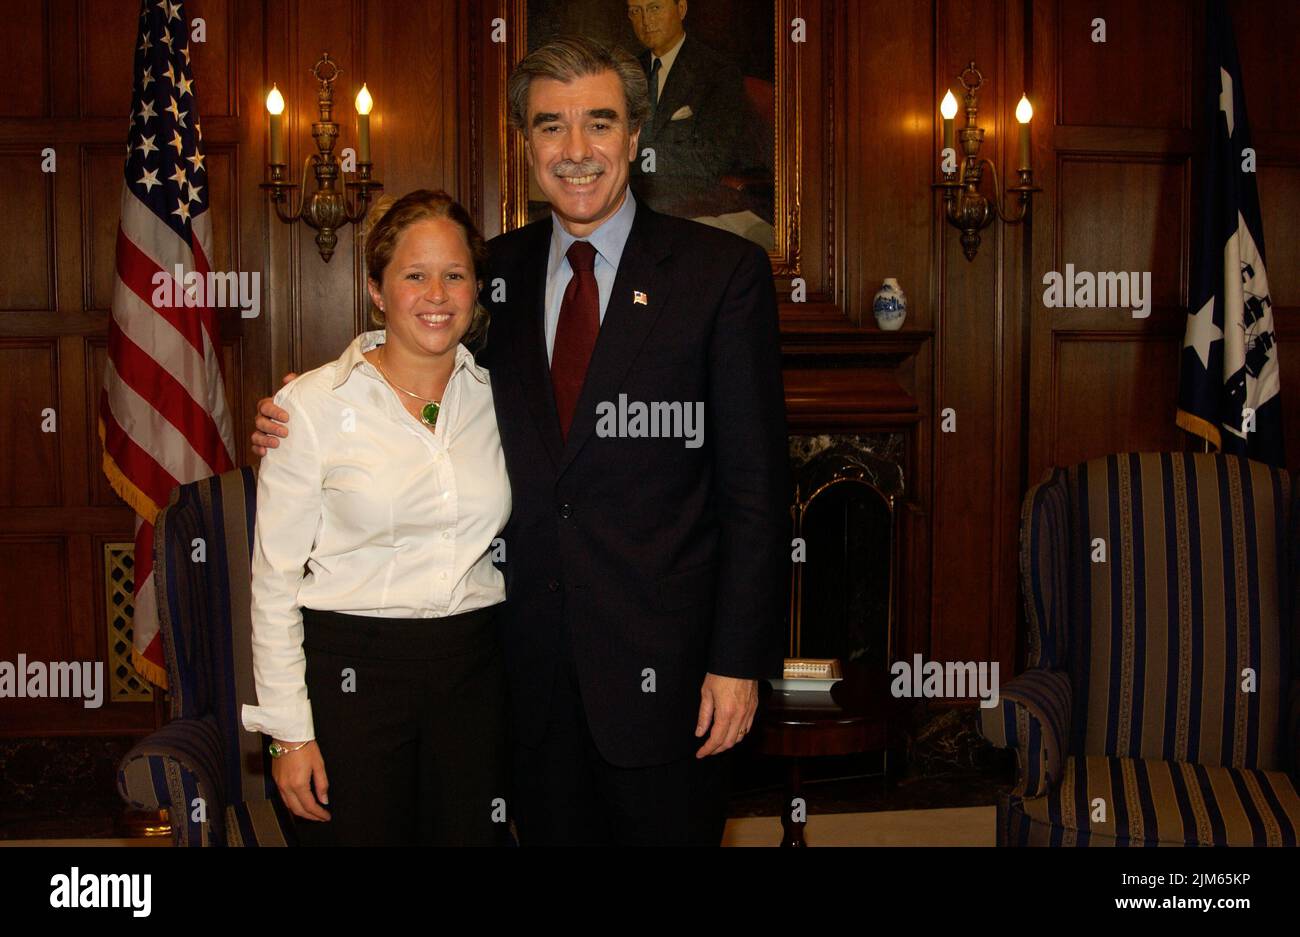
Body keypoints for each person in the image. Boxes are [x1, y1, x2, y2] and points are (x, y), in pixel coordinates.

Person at [253, 36, 789, 846]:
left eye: (599, 124)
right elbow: (413, 351)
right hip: (517, 687)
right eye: (551, 127)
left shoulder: (721, 275)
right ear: (526, 143)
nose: (576, 151)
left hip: (669, 684)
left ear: (635, 137)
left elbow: (756, 488)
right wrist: (310, 396)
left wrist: (738, 659)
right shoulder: (486, 274)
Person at [241, 190, 512, 846]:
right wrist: (288, 734)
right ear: (376, 290)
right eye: (414, 275)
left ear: (477, 289)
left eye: (455, 274)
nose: (437, 294)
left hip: (475, 679)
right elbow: (274, 582)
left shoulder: (505, 398)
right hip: (350, 683)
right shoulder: (308, 407)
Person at [624, 0, 749, 220]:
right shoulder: (626, 72)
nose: (646, 21)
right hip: (629, 196)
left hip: (691, 203)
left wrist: (636, 158)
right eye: (636, 11)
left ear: (681, 9)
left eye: (655, 8)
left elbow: (715, 158)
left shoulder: (718, 73)